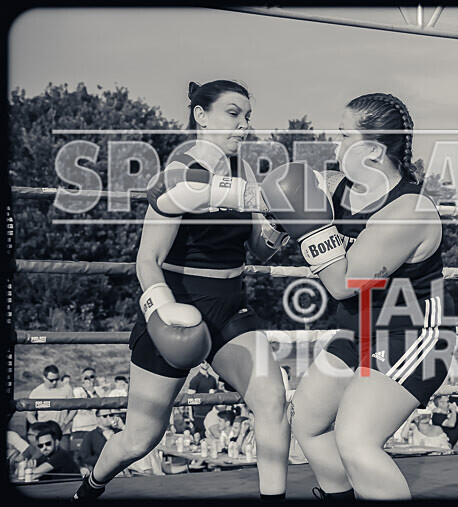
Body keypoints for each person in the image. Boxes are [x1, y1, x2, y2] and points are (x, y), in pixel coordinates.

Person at [73, 80, 289, 502]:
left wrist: (280, 224)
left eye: (247, 116)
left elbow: (258, 252)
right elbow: (147, 259)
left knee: (272, 399)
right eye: (233, 113)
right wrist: (162, 308)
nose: (243, 125)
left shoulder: (244, 173)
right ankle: (91, 487)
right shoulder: (176, 174)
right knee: (140, 438)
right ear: (201, 115)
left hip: (230, 309)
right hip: (177, 305)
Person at [275, 93, 456, 500]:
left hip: (412, 336)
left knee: (355, 440)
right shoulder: (338, 190)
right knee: (307, 421)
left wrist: (307, 227)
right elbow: (267, 224)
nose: (335, 145)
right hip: (356, 332)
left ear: (372, 149)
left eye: (343, 136)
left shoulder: (407, 210)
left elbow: (341, 283)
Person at [27, 365, 74, 451]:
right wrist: (39, 427)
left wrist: (65, 422)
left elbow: (74, 408)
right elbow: (30, 414)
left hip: (63, 432)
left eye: (57, 379)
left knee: (65, 459)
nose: (54, 382)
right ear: (44, 378)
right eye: (51, 380)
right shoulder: (36, 392)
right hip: (44, 436)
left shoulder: (66, 388)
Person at [187, 362, 218, 437]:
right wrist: (190, 415)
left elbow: (215, 398)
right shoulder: (195, 380)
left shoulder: (213, 379)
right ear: (199, 363)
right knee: (199, 436)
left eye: (207, 362)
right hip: (199, 414)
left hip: (210, 413)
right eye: (203, 362)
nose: (206, 364)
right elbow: (189, 399)